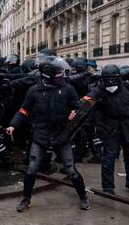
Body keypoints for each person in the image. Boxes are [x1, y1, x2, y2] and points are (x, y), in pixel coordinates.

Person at [6, 56, 90, 212]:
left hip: (61, 135)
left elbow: (78, 107)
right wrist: (13, 125)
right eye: (58, 74)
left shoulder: (68, 89)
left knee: (71, 169)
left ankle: (83, 197)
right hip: (41, 135)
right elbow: (23, 110)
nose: (62, 76)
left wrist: (74, 112)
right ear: (48, 75)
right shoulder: (34, 91)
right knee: (32, 168)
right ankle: (26, 199)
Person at [88, 65, 129, 196]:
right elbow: (86, 104)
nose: (110, 83)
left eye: (112, 79)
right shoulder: (99, 90)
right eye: (107, 80)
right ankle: (108, 187)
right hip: (109, 127)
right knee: (109, 157)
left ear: (118, 78)